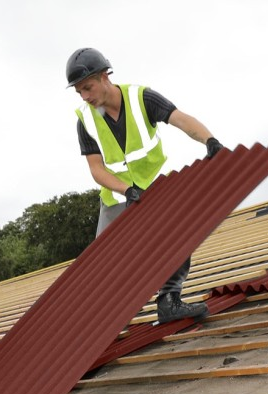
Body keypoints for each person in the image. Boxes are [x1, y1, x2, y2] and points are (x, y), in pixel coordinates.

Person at [66, 47, 226, 323]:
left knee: (180, 233)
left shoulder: (141, 98)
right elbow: (96, 169)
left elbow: (181, 119)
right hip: (117, 198)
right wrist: (125, 189)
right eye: (79, 92)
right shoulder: (85, 120)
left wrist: (209, 141)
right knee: (105, 264)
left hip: (155, 189)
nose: (85, 97)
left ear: (105, 77)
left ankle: (169, 301)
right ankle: (106, 321)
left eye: (88, 88)